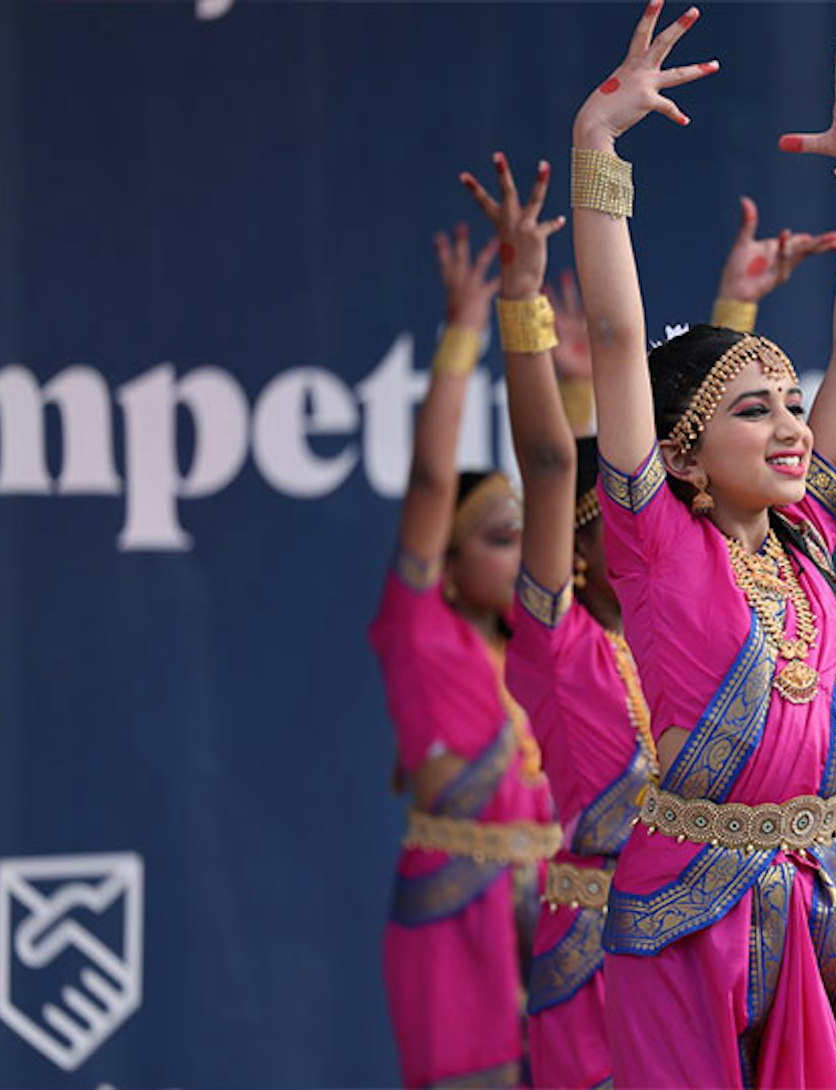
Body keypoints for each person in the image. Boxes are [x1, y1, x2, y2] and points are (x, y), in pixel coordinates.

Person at [565, 5, 836, 1082]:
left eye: (789, 402)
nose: (795, 425)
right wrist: (596, 146)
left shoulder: (807, 539)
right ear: (686, 455)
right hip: (680, 914)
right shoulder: (655, 539)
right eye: (753, 410)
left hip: (805, 903)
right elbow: (623, 338)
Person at [366, 216, 555, 1088]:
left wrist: (566, 370)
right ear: (444, 562)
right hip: (456, 927)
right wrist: (467, 333)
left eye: (525, 540)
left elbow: (573, 494)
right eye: (498, 539)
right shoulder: (418, 628)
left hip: (557, 915)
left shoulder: (544, 649)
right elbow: (433, 482)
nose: (522, 557)